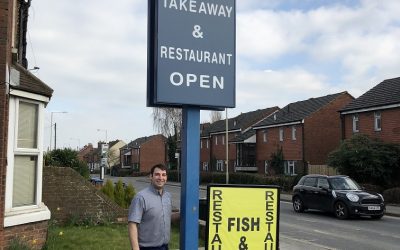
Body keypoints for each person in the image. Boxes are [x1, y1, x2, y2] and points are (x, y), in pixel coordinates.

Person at [128, 164, 172, 250]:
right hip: (147, 248)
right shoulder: (141, 197)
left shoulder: (167, 196)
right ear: (150, 177)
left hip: (165, 247)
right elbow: (132, 224)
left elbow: (165, 216)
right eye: (157, 174)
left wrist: (183, 214)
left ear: (166, 177)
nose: (161, 178)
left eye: (163, 175)